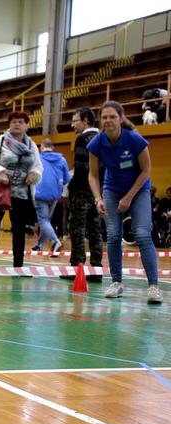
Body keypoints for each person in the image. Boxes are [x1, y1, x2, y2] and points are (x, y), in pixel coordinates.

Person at [88, 100, 161, 304]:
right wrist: (98, 198)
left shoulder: (134, 139)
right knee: (113, 236)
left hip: (139, 189)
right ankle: (116, 282)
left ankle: (154, 287)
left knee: (142, 234)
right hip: (111, 189)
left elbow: (146, 170)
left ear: (120, 118)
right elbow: (93, 176)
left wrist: (129, 197)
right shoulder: (96, 143)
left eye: (112, 117)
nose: (108, 120)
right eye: (104, 117)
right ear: (100, 120)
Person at [0, 111, 43, 270]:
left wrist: (34, 174)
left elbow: (38, 165)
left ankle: (18, 266)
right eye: (14, 121)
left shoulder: (32, 145)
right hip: (0, 190)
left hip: (21, 193)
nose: (17, 124)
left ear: (27, 125)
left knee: (19, 230)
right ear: (9, 124)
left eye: (21, 121)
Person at [60, 108, 104, 282]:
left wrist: (72, 188)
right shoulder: (102, 138)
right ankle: (96, 269)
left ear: (86, 120)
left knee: (77, 229)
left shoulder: (82, 139)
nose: (73, 124)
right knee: (95, 230)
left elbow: (81, 169)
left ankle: (77, 267)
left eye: (75, 120)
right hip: (99, 192)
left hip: (82, 191)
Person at [32, 139, 70, 256]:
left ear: (41, 147)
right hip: (55, 195)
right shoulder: (62, 159)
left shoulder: (37, 158)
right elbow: (67, 179)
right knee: (46, 220)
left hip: (39, 193)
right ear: (52, 147)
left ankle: (55, 241)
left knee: (43, 220)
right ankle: (39, 245)